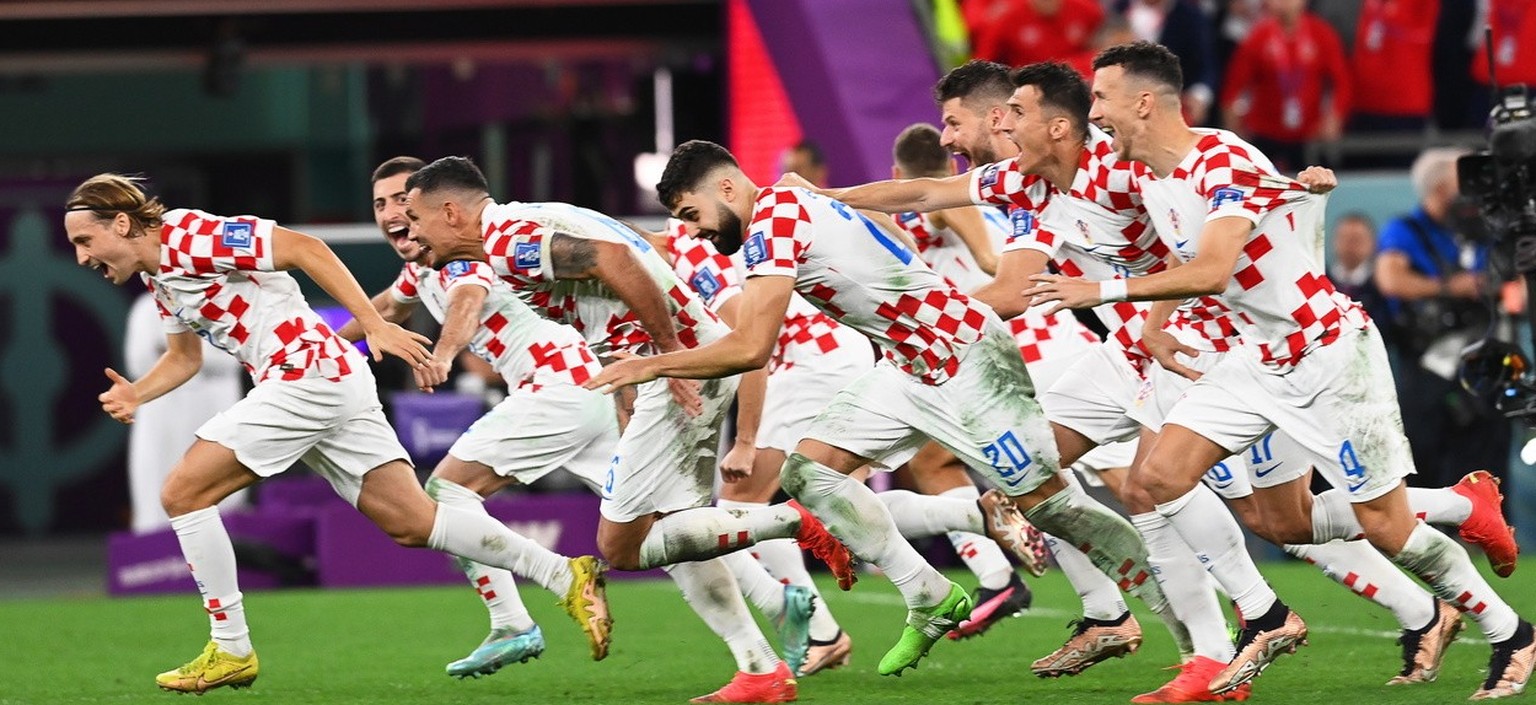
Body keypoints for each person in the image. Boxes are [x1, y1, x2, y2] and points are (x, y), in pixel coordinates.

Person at [826, 58, 1516, 698]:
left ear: (1052, 122)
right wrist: (822, 198)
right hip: (1150, 346)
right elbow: (927, 193)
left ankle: (1248, 629)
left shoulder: (1132, 167)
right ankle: (1188, 617)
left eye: (999, 112)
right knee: (1130, 486)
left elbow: (1206, 237)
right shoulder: (1022, 183)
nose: (989, 125)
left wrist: (1297, 202)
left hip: (1206, 348)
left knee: (1269, 513)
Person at [1047, 40, 1532, 699]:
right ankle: (1266, 615)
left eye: (1100, 98)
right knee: (1178, 484)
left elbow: (1215, 266)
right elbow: (1178, 259)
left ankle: (1510, 629)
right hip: (1255, 359)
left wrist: (1100, 295)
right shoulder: (1149, 176)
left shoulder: (1221, 158)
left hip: (1327, 351)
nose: (1092, 113)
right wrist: (1157, 323)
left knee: (1386, 525)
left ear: (1143, 101)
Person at [591, 139, 1169, 680]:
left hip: (963, 356)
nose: (696, 232)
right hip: (906, 366)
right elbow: (899, 226)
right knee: (808, 472)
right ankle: (929, 593)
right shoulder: (792, 204)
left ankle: (1198, 628)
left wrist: (650, 365)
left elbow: (750, 348)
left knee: (1051, 505)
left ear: (725, 190)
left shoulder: (773, 224)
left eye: (693, 215)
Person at [67, 173, 611, 695]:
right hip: (328, 381)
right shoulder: (159, 274)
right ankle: (563, 573)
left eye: (85, 240)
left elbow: (305, 248)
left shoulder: (191, 234)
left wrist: (374, 325)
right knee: (413, 523)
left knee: (182, 492)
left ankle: (230, 647)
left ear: (120, 224)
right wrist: (138, 393)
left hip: (306, 376)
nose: (82, 257)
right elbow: (184, 359)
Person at [400, 157, 860, 703]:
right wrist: (634, 387)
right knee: (677, 532)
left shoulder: (506, 241)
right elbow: (614, 291)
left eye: (415, 217)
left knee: (619, 547)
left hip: (680, 369)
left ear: (451, 212)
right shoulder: (528, 218)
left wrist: (669, 353)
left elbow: (613, 258)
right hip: (673, 370)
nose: (411, 231)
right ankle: (760, 669)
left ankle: (789, 520)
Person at [337, 156, 623, 678]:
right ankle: (789, 592)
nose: (392, 213)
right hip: (585, 387)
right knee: (658, 525)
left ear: (433, 205)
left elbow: (467, 300)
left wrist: (444, 354)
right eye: (380, 204)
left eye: (403, 200)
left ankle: (533, 601)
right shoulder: (420, 267)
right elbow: (387, 309)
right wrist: (323, 346)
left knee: (445, 496)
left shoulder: (458, 255)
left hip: (555, 388)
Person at [1375, 147, 1511, 490]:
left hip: (1481, 355)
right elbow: (1390, 279)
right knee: (1425, 453)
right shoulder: (1406, 230)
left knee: (1488, 449)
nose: (1472, 190)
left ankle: (1492, 536)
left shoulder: (1480, 230)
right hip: (1427, 361)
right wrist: (1450, 287)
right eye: (1462, 181)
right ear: (1439, 188)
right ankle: (1427, 533)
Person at [123, 291, 245, 534]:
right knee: (156, 479)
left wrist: (180, 354)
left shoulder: (224, 300)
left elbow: (232, 357)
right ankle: (154, 555)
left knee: (219, 479)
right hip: (161, 407)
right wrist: (180, 358)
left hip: (215, 405)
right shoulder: (146, 307)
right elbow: (138, 362)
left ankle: (230, 549)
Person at [1219, 0, 1351, 172]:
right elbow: (1233, 87)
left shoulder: (1321, 33)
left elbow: (1342, 81)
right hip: (1264, 134)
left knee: (1312, 190)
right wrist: (1234, 134)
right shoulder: (1258, 36)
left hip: (1309, 135)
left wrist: (1335, 117)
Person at [1327, 212, 1392, 328]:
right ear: (1334, 241)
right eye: (1345, 238)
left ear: (1372, 243)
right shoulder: (1320, 280)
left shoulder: (1381, 287)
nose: (1350, 245)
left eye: (1357, 239)